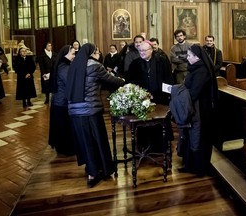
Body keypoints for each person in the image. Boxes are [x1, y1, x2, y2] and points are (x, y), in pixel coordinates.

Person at [66, 43, 125, 187]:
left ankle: (91, 169)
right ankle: (100, 171)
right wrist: (123, 81)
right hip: (90, 110)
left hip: (74, 110)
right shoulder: (95, 65)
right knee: (98, 140)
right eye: (97, 51)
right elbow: (111, 80)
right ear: (92, 53)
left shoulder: (73, 65)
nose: (98, 54)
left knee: (85, 142)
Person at [175, 44, 218, 177]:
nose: (187, 58)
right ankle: (189, 165)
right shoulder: (195, 69)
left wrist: (179, 92)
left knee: (200, 138)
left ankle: (200, 168)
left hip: (201, 110)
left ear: (197, 57)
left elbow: (194, 92)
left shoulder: (202, 71)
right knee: (190, 136)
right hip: (194, 108)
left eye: (189, 56)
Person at [127, 40, 174, 152]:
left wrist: (167, 95)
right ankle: (145, 146)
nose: (142, 52)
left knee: (160, 122)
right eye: (140, 50)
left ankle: (161, 145)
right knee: (144, 123)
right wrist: (140, 95)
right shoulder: (135, 64)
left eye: (144, 50)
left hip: (160, 98)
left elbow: (168, 78)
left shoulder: (162, 61)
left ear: (151, 50)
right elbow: (131, 82)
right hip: (143, 99)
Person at [48, 45, 76, 156]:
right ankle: (66, 149)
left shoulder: (63, 64)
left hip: (60, 101)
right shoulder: (64, 66)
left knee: (62, 127)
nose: (74, 56)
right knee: (63, 128)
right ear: (65, 54)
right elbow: (70, 83)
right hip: (62, 102)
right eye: (73, 54)